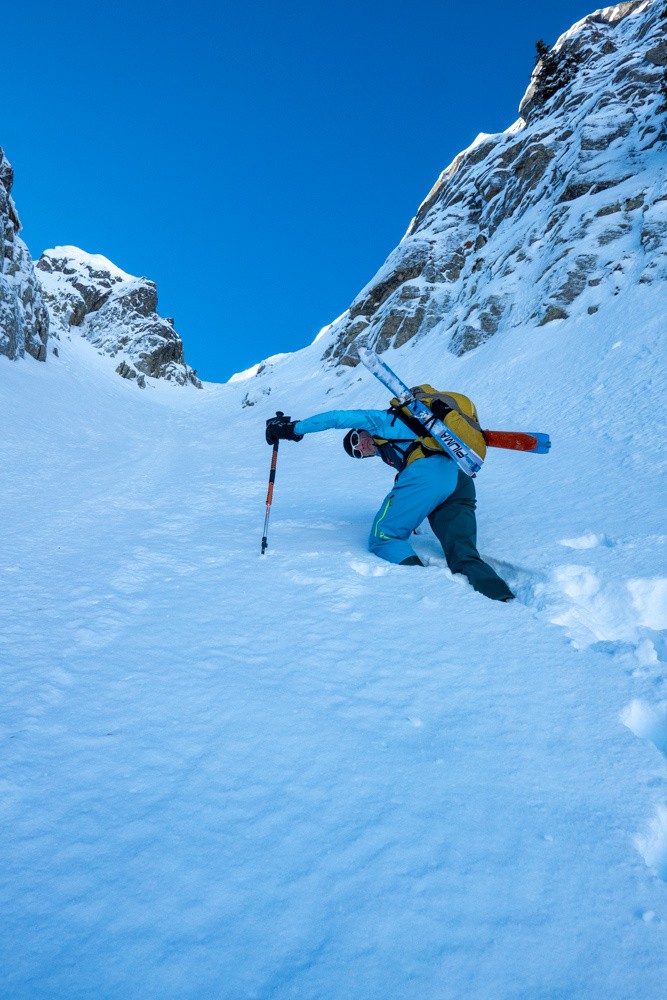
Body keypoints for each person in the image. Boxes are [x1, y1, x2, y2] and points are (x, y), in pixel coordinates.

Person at [265, 406, 514, 602]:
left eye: (355, 440)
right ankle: (500, 598)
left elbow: (337, 417)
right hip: (458, 478)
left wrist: (294, 429)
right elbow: (408, 484)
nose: (360, 447)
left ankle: (431, 593)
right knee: (464, 555)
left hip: (432, 476)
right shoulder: (399, 448)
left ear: (361, 431)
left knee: (384, 537)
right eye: (357, 453)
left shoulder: (381, 422)